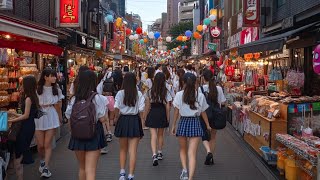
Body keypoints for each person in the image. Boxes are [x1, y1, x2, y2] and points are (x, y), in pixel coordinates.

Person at [65, 70, 107, 180]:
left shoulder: (74, 99)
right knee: (91, 170)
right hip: (93, 133)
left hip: (77, 135)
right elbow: (102, 119)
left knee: (82, 168)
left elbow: (69, 116)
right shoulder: (98, 98)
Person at [171, 73, 211, 180]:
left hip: (183, 122)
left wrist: (173, 125)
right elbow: (203, 112)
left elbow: (176, 112)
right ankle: (190, 178)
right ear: (195, 82)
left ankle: (185, 171)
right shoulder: (200, 95)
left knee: (183, 149)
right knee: (192, 153)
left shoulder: (179, 94)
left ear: (183, 82)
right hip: (195, 123)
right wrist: (207, 125)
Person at [114, 72, 145, 180]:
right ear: (135, 81)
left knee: (122, 149)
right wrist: (142, 123)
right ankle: (131, 175)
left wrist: (115, 118)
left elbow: (116, 108)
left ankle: (122, 174)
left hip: (123, 120)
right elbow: (141, 110)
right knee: (133, 151)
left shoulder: (120, 93)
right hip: (135, 121)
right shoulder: (139, 94)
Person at [8, 76, 40, 180]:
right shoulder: (32, 97)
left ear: (27, 85)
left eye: (22, 84)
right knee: (19, 155)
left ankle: (19, 176)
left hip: (25, 127)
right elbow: (28, 115)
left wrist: (12, 120)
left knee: (18, 156)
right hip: (28, 126)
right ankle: (19, 176)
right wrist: (13, 114)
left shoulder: (28, 99)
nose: (21, 86)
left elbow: (26, 115)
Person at [35, 68, 64, 178]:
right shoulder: (38, 89)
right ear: (45, 77)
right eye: (52, 76)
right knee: (40, 145)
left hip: (51, 115)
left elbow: (58, 105)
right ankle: (42, 160)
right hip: (39, 116)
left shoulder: (56, 89)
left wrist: (60, 117)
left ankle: (46, 167)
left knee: (47, 144)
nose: (54, 78)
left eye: (54, 76)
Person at [198, 69, 226, 165]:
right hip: (216, 115)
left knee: (204, 136)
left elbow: (198, 103)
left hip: (204, 115)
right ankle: (211, 157)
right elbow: (223, 102)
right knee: (213, 137)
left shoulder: (200, 89)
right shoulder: (218, 88)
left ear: (203, 78)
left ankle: (208, 151)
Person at [145, 72, 172, 166]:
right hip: (162, 113)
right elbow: (168, 107)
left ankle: (154, 154)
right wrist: (168, 118)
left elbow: (147, 106)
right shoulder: (166, 92)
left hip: (152, 113)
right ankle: (160, 152)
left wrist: (144, 117)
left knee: (153, 135)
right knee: (161, 134)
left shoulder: (149, 91)